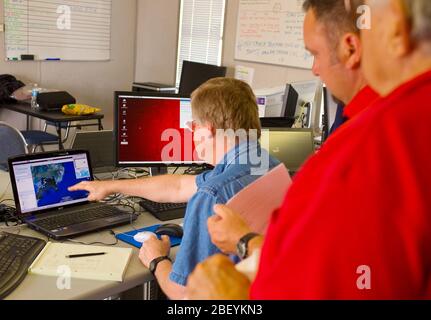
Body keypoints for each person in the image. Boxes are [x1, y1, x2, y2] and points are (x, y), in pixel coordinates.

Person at [187, 0, 431, 300]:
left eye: (314, 53)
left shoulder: (366, 152)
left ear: (394, 23)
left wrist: (223, 297)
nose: (315, 69)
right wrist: (246, 241)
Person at [195, 0, 381, 275]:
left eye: (315, 54)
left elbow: (321, 261)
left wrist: (243, 241)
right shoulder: (363, 123)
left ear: (351, 49)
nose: (315, 69)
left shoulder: (366, 141)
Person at [69, 77, 279, 300]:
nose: (190, 133)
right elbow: (178, 186)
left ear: (207, 129)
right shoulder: (268, 164)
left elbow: (184, 293)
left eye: (193, 126)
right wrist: (110, 186)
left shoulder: (211, 195)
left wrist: (157, 259)